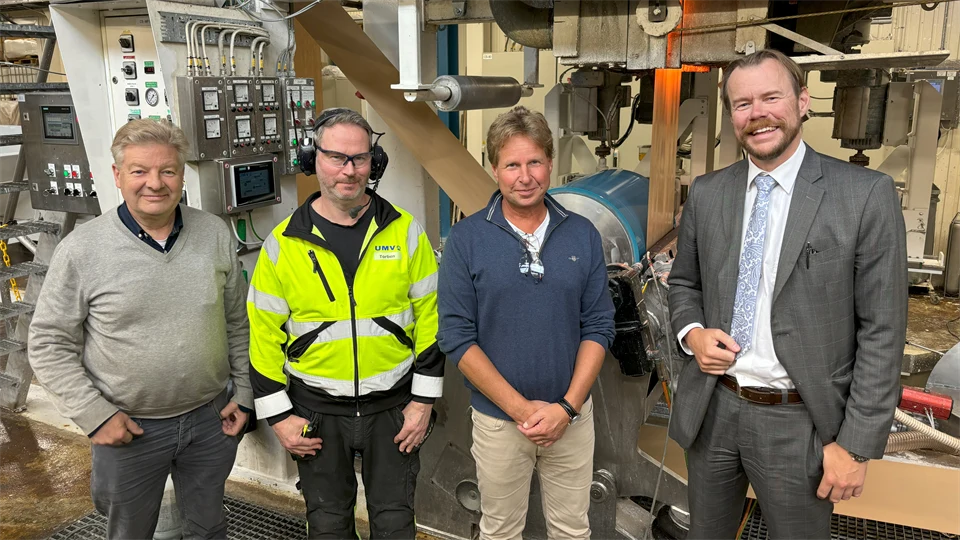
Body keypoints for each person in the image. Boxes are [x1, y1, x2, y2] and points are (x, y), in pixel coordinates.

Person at [667, 49, 908, 540]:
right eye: (741, 104)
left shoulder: (863, 195)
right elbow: (683, 283)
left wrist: (855, 446)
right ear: (731, 115)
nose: (757, 114)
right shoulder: (709, 193)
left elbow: (882, 330)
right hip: (715, 411)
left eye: (771, 97)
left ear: (802, 102)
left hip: (801, 422)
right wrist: (692, 333)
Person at [28, 119, 252, 540]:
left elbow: (237, 322)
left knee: (209, 527)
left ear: (182, 174)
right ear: (117, 176)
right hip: (129, 429)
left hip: (210, 422)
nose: (155, 183)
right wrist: (95, 416)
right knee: (130, 532)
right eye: (139, 171)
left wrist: (244, 393)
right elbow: (48, 343)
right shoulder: (81, 250)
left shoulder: (213, 233)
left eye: (168, 171)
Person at [247, 107, 443, 540]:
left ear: (375, 162)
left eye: (360, 158)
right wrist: (278, 415)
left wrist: (423, 403)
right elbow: (262, 336)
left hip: (393, 409)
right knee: (328, 525)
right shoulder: (283, 244)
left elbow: (432, 319)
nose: (349, 170)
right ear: (311, 159)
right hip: (315, 413)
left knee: (395, 523)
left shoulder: (405, 232)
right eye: (336, 157)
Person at [437, 105, 616, 539]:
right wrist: (522, 411)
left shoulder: (582, 234)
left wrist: (566, 408)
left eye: (534, 162)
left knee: (572, 530)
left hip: (570, 419)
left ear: (550, 163)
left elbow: (599, 325)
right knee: (501, 531)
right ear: (494, 168)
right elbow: (457, 338)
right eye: (512, 164)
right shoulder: (467, 239)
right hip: (500, 423)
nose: (525, 176)